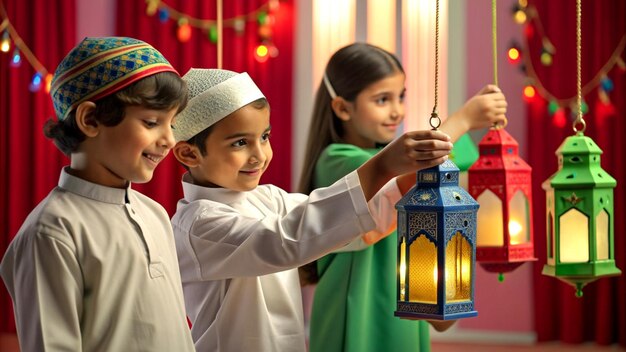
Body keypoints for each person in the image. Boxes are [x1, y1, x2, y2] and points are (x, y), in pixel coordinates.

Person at [169, 68, 453, 351]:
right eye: (241, 142)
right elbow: (289, 240)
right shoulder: (198, 223)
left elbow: (346, 227)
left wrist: (406, 180)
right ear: (189, 153)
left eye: (264, 137)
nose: (259, 155)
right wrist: (380, 167)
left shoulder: (268, 199)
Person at [298, 42, 508, 352]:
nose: (397, 110)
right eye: (382, 99)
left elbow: (447, 160)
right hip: (357, 306)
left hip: (405, 294)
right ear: (343, 108)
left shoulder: (383, 157)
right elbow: (405, 177)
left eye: (401, 96)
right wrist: (463, 119)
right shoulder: (337, 159)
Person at [0, 37, 195, 351]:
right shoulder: (51, 232)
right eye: (151, 122)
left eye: (171, 124)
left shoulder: (155, 213)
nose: (169, 140)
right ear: (90, 119)